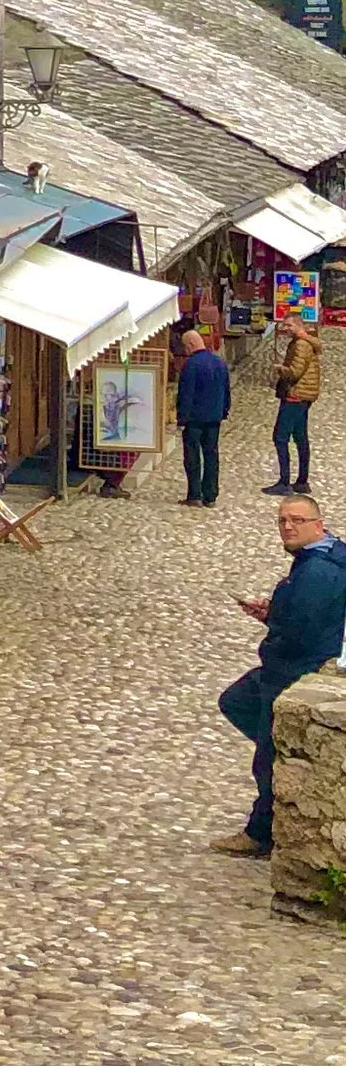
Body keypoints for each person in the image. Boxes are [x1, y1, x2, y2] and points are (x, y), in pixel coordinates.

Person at [212, 492, 346, 854]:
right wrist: (272, 611)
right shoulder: (320, 557)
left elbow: (302, 629)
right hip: (289, 665)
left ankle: (260, 833)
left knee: (269, 754)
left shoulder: (319, 570)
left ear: (318, 524)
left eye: (297, 521)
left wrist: (275, 629)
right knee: (237, 702)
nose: (287, 527)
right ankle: (286, 761)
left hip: (294, 670)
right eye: (282, 520)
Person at [266, 314, 322, 494]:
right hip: (304, 396)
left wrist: (280, 369)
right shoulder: (305, 343)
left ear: (298, 326)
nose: (286, 329)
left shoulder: (300, 345)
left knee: (280, 437)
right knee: (300, 437)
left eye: (289, 325)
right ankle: (302, 481)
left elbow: (295, 372)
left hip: (295, 395)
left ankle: (284, 482)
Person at [177, 326, 232, 507]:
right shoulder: (219, 363)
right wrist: (224, 411)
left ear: (191, 345)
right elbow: (226, 391)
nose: (185, 351)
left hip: (194, 419)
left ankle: (195, 494)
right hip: (214, 418)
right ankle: (210, 494)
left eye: (185, 347)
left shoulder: (191, 365)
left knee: (192, 456)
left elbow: (186, 394)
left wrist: (181, 419)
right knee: (211, 456)